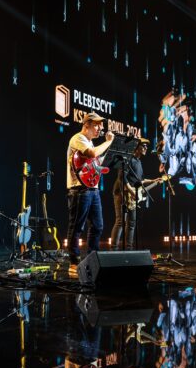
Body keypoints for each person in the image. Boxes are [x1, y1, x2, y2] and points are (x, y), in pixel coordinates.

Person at [66, 112, 114, 266]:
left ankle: (92, 259)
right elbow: (92, 153)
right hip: (79, 189)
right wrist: (109, 142)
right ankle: (74, 260)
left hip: (93, 189)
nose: (100, 128)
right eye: (97, 125)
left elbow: (95, 162)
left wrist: (112, 155)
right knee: (76, 226)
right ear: (86, 125)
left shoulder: (91, 143)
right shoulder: (78, 138)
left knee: (98, 226)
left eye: (101, 125)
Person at [110, 138, 161, 250]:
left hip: (132, 195)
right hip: (121, 193)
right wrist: (131, 190)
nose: (146, 148)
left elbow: (140, 180)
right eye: (143, 146)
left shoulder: (139, 162)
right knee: (120, 222)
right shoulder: (128, 159)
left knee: (131, 223)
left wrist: (153, 181)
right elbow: (121, 177)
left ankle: (129, 249)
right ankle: (113, 249)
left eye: (146, 146)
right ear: (136, 147)